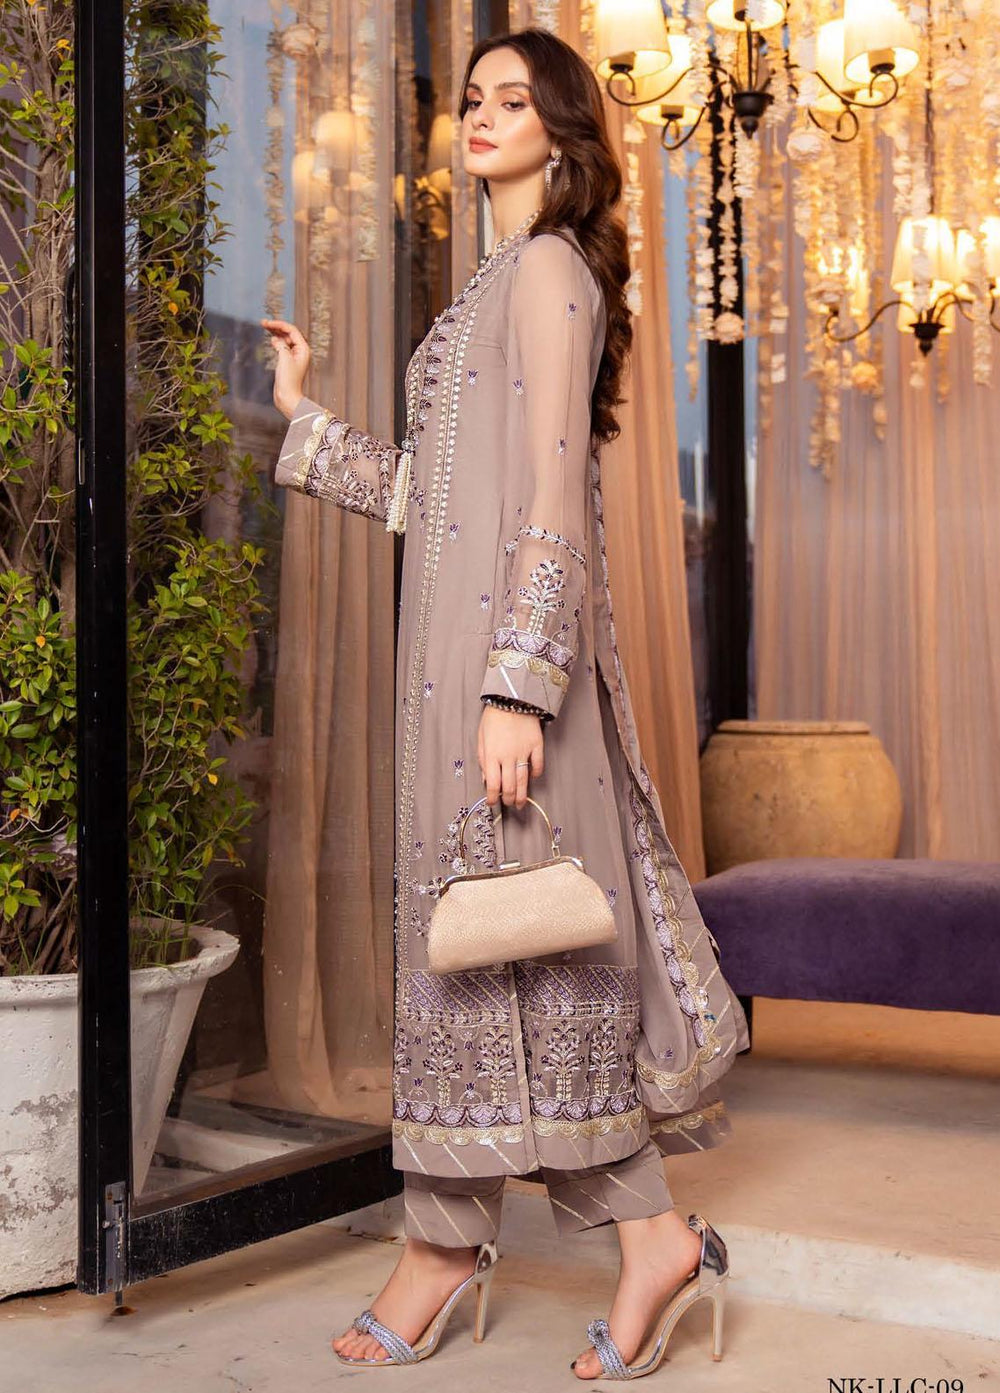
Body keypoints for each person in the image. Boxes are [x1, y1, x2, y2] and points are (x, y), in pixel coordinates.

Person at [262, 25, 749, 1381]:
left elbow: (548, 500)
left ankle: (457, 1249)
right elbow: (431, 492)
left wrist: (520, 688)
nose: (479, 115)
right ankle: (620, 1239)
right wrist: (306, 421)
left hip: (506, 683)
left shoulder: (546, 272)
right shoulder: (493, 281)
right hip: (457, 682)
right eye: (471, 97)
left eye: (512, 100)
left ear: (562, 132)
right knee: (488, 960)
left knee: (531, 947)